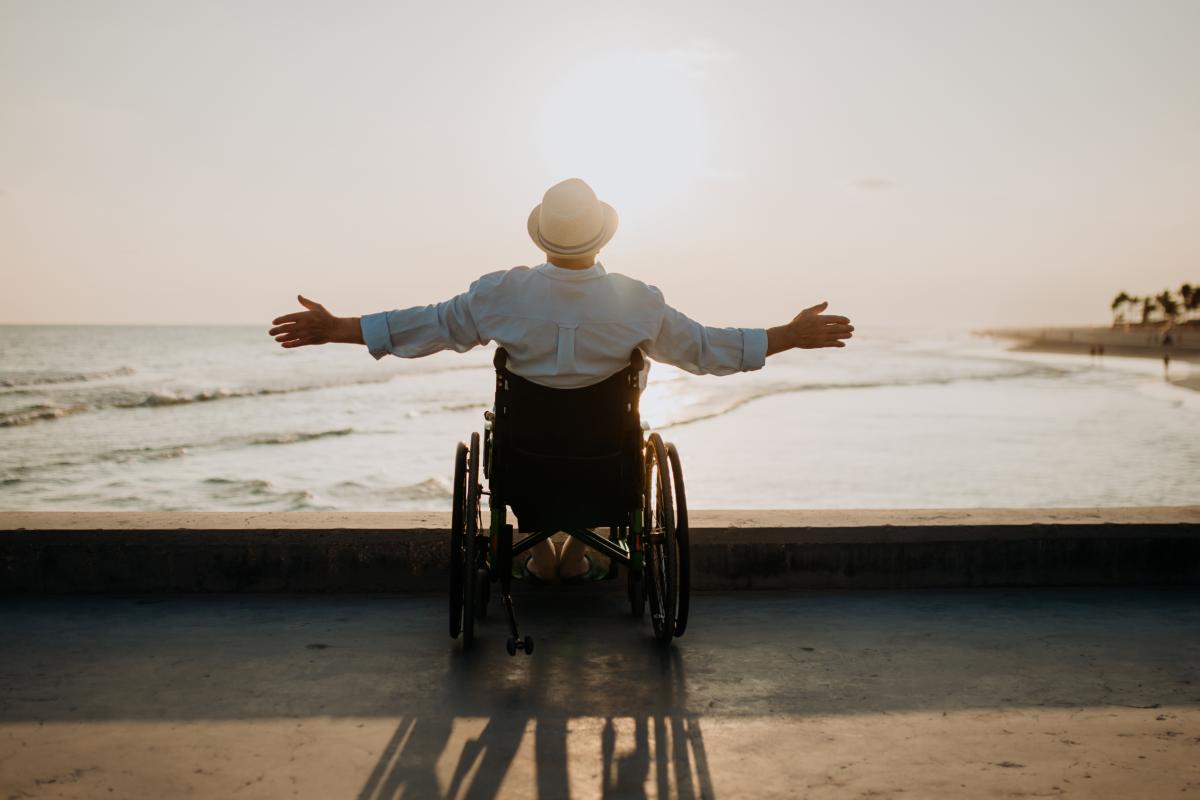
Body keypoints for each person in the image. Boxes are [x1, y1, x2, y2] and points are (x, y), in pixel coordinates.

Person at [268, 178, 855, 580]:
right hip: (610, 464)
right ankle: (572, 554)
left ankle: (547, 554)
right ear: (604, 236)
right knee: (606, 442)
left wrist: (338, 327)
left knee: (534, 450)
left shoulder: (500, 294)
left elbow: (427, 327)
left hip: (525, 465)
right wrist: (788, 335)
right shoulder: (637, 301)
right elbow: (706, 349)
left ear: (542, 237)